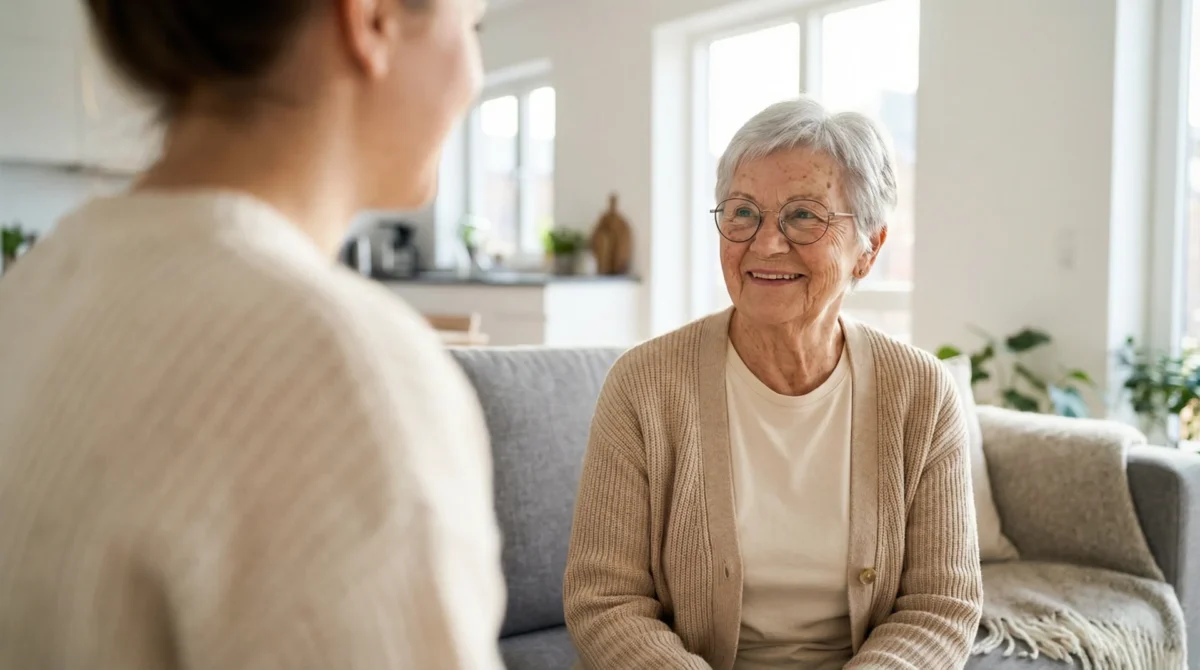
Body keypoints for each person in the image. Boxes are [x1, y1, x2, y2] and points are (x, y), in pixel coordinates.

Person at [0, 1, 504, 668]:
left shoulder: (35, 290)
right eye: (472, 25)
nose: (476, 75)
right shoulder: (348, 374)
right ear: (373, 19)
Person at [563, 97, 984, 670]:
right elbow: (604, 601)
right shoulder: (643, 386)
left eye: (804, 215)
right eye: (742, 213)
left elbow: (940, 606)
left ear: (869, 249)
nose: (765, 243)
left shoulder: (922, 393)